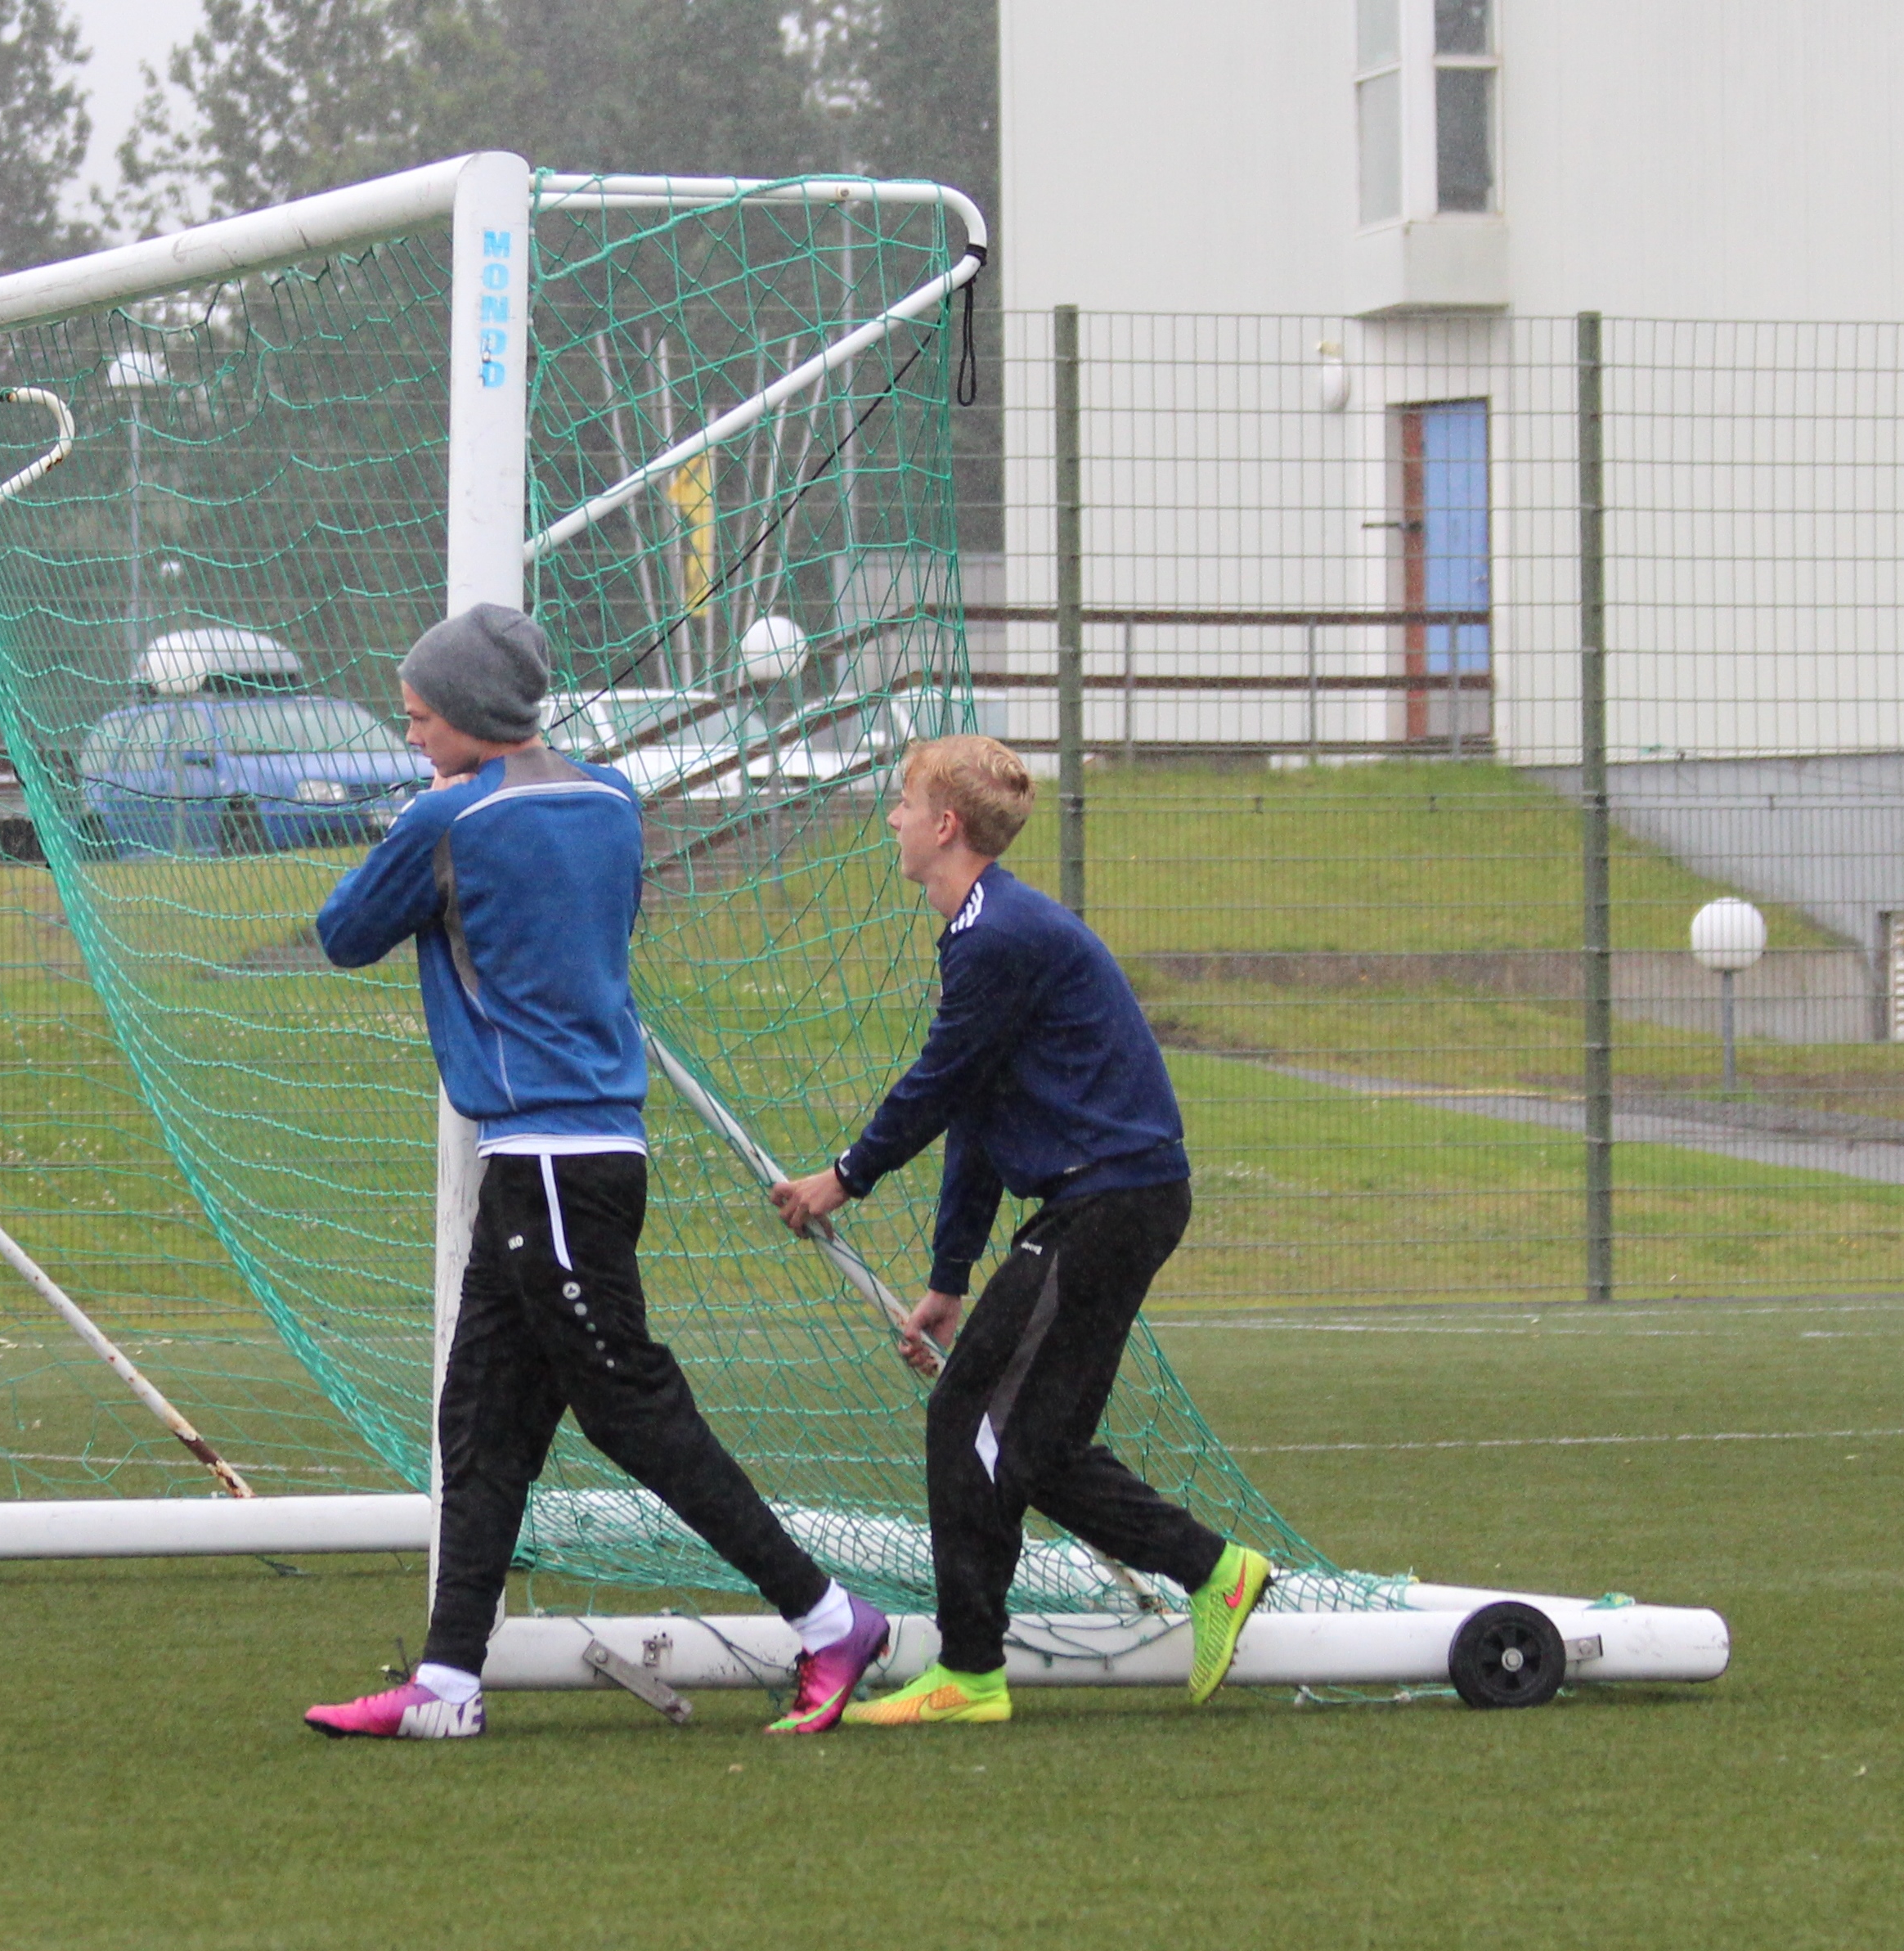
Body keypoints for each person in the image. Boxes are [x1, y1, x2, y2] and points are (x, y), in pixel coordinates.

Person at [301, 604, 887, 1740]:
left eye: (419, 715)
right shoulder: (613, 798)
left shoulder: (448, 818)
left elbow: (343, 933)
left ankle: (827, 1618)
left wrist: (419, 826)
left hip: (552, 1161)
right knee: (482, 1416)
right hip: (575, 1154)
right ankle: (447, 1683)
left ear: (471, 713)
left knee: (627, 1405)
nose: (410, 733)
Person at [768, 735, 1270, 1724]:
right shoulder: (981, 932)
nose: (893, 820)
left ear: (945, 825)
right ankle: (1213, 1572)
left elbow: (939, 1085)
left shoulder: (996, 936)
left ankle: (973, 1672)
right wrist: (949, 1277)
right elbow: (977, 1111)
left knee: (971, 1422)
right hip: (1106, 1204)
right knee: (1033, 1445)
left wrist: (844, 1178)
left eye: (904, 804)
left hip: (1109, 1205)